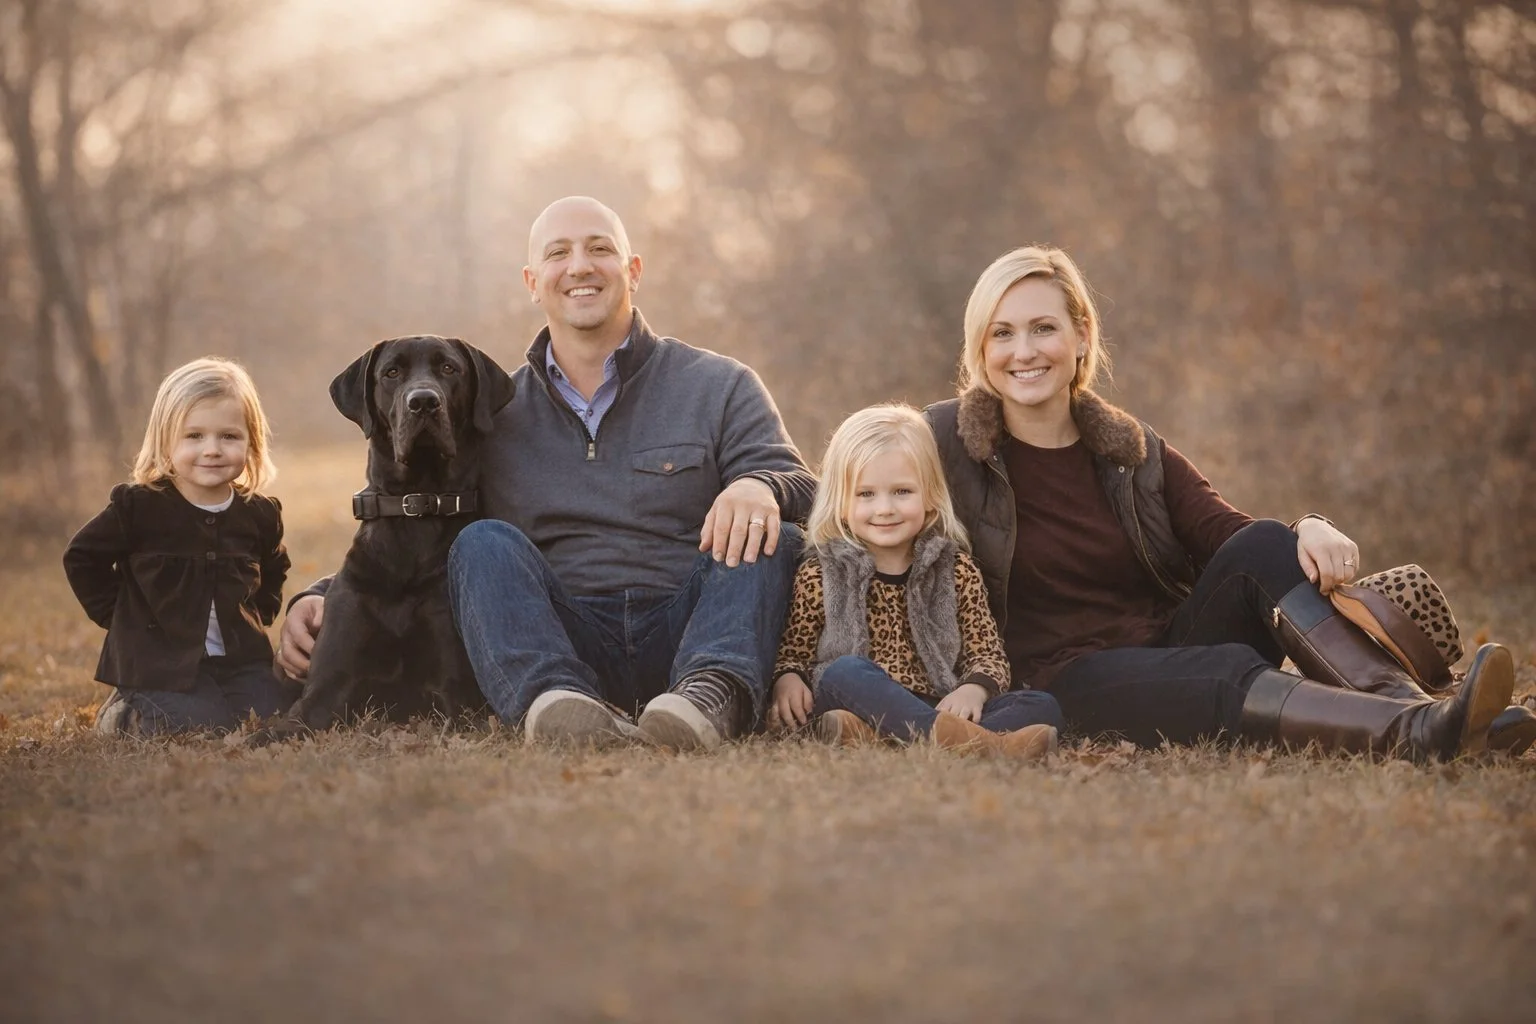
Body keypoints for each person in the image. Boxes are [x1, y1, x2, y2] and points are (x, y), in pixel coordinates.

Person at [923, 245, 1531, 762]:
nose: (1023, 351)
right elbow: (859, 493)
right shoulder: (942, 442)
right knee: (1221, 670)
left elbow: (1232, 538)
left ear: (1081, 335)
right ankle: (1417, 734)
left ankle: (1421, 711)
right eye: (1002, 333)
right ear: (981, 349)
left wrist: (1308, 526)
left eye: (1043, 328)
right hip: (1059, 679)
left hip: (1164, 643)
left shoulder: (1130, 449)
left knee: (1265, 541)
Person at [277, 196, 814, 750]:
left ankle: (708, 700)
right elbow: (419, 519)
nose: (579, 266)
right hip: (564, 633)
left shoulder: (719, 384)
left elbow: (807, 486)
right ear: (534, 282)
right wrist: (323, 596)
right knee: (482, 542)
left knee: (771, 535)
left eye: (599, 249)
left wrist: (760, 484)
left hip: (689, 623)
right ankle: (556, 704)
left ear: (633, 270)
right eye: (559, 253)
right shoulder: (489, 414)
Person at [768, 405, 1061, 760]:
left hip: (940, 702)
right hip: (859, 697)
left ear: (930, 495)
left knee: (1041, 704)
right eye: (866, 494)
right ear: (841, 503)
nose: (885, 508)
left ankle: (890, 737)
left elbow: (987, 653)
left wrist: (973, 689)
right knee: (842, 672)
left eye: (902, 492)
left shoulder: (955, 570)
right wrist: (788, 677)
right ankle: (982, 746)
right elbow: (792, 652)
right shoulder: (822, 573)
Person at [64, 358, 291, 735]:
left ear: (251, 441)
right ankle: (123, 715)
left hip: (239, 659)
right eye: (194, 436)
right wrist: (122, 619)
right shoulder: (139, 507)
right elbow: (82, 558)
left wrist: (260, 615)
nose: (213, 449)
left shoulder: (259, 513)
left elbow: (274, 565)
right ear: (166, 440)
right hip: (157, 661)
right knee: (200, 727)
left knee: (276, 717)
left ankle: (220, 692)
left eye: (229, 436)